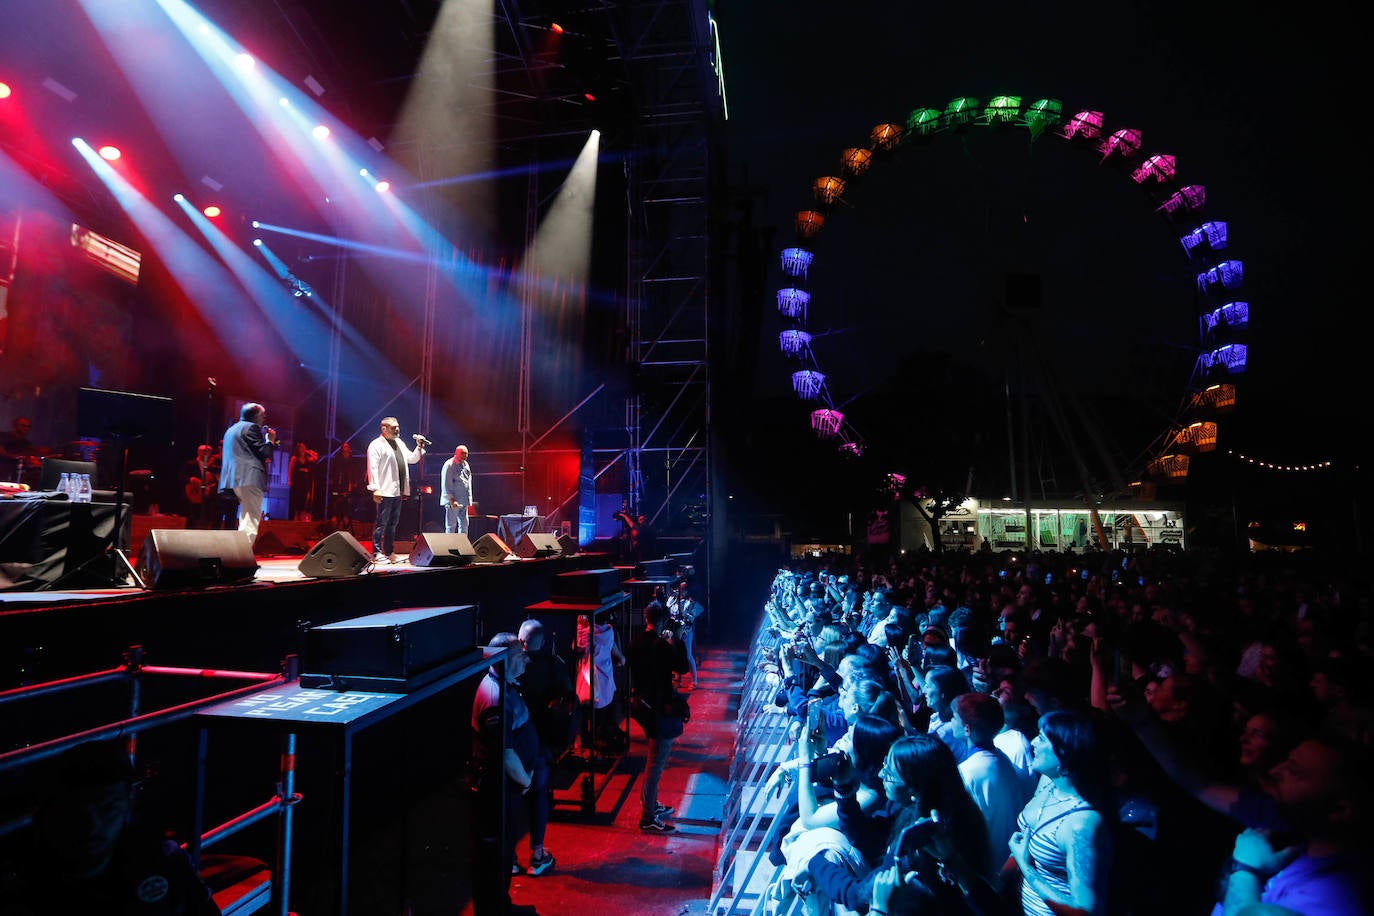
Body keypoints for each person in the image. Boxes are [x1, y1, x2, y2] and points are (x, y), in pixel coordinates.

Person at [0, 739, 221, 915]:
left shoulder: (161, 860)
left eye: (107, 808)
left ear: (128, 804)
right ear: (51, 812)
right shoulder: (21, 881)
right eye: (78, 810)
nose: (92, 824)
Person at [1007, 709, 1113, 916]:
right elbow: (1025, 844)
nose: (1033, 742)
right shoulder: (1049, 783)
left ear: (1064, 752)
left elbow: (1085, 912)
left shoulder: (1080, 824)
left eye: (1042, 739)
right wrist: (997, 882)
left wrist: (1025, 867)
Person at [468, 632, 539, 916]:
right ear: (506, 661)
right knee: (494, 857)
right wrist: (525, 780)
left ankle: (501, 906)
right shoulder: (495, 697)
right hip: (496, 791)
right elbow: (505, 754)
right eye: (520, 655)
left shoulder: (502, 686)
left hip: (503, 790)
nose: (526, 659)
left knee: (502, 853)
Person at [626, 598, 691, 832]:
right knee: (656, 762)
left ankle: (651, 803)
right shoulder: (662, 646)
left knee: (654, 758)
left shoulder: (635, 643)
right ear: (663, 619)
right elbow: (682, 667)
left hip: (642, 704)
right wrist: (679, 640)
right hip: (659, 708)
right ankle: (648, 817)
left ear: (646, 618)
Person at [514, 619, 567, 878]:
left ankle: (511, 859)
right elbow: (568, 701)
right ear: (543, 642)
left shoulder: (511, 666)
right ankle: (536, 855)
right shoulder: (553, 666)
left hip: (514, 746)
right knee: (538, 796)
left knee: (513, 800)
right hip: (541, 745)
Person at [218, 403, 279, 547]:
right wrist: (270, 440)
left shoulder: (231, 430)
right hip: (249, 477)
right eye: (263, 415)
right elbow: (264, 453)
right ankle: (242, 557)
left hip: (233, 478)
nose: (264, 418)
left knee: (244, 518)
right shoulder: (251, 427)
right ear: (256, 416)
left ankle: (238, 554)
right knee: (250, 519)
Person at [366, 416, 425, 564]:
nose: (397, 429)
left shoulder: (399, 442)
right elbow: (372, 467)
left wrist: (419, 447)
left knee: (393, 523)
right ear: (384, 429)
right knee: (382, 522)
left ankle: (389, 551)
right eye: (394, 427)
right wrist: (375, 488)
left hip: (397, 491)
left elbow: (411, 459)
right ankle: (376, 552)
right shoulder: (376, 445)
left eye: (398, 426)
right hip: (384, 490)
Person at [667, 578, 705, 689]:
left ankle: (694, 681)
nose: (680, 591)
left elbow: (695, 613)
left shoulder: (690, 602)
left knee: (688, 655)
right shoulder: (673, 599)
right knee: (675, 654)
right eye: (679, 589)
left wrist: (687, 617)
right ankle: (678, 679)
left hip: (685, 631)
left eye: (682, 589)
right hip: (673, 630)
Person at [181, 444, 217, 529]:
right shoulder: (190, 464)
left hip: (208, 497)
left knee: (207, 518)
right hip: (194, 495)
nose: (206, 453)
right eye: (204, 451)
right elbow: (182, 477)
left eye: (208, 452)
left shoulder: (212, 466)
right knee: (192, 518)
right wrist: (192, 479)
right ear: (198, 452)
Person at [440, 444, 474, 535]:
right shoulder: (449, 465)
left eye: (466, 454)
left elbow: (467, 482)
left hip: (463, 500)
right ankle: (449, 546)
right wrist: (451, 500)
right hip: (453, 501)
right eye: (463, 453)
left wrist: (469, 500)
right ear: (456, 453)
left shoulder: (466, 464)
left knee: (464, 524)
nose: (465, 455)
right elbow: (446, 483)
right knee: (451, 525)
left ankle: (462, 545)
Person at [288, 441, 318, 521]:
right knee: (297, 498)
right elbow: (290, 469)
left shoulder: (307, 458)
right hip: (297, 480)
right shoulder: (294, 458)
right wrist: (289, 480)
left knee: (305, 498)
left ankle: (302, 516)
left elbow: (315, 457)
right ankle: (296, 516)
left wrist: (309, 451)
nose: (303, 449)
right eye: (301, 447)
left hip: (305, 481)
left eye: (304, 447)